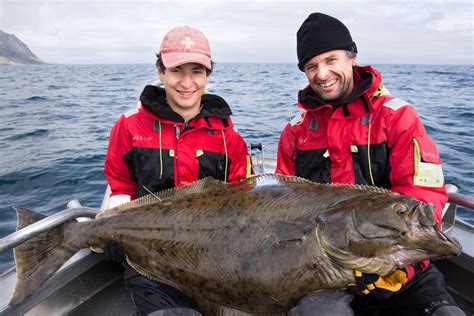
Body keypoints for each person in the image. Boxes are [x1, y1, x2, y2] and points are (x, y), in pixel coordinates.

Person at [276, 13, 465, 316]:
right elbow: (283, 210)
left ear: (352, 57)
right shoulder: (295, 132)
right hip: (326, 275)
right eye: (311, 66)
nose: (322, 73)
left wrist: (384, 260)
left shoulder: (397, 118)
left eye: (331, 60)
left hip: (401, 269)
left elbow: (423, 196)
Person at [104, 25, 252, 315]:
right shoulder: (129, 127)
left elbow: (243, 200)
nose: (187, 82)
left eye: (196, 71)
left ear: (208, 75)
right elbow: (120, 185)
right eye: (176, 70)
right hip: (149, 260)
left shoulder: (229, 138)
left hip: (215, 260)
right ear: (161, 71)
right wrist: (113, 226)